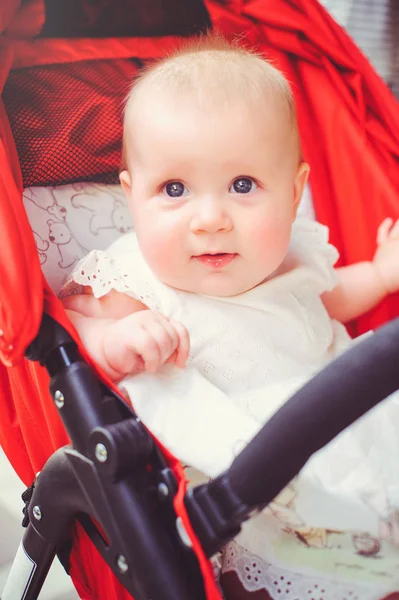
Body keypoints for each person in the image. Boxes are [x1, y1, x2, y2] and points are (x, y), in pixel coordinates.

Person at [61, 35, 399, 600]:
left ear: (294, 195)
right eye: (174, 189)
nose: (211, 218)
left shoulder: (297, 256)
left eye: (243, 186)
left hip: (349, 432)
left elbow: (333, 299)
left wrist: (384, 276)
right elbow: (66, 331)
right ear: (131, 197)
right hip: (248, 486)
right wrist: (110, 336)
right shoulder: (137, 281)